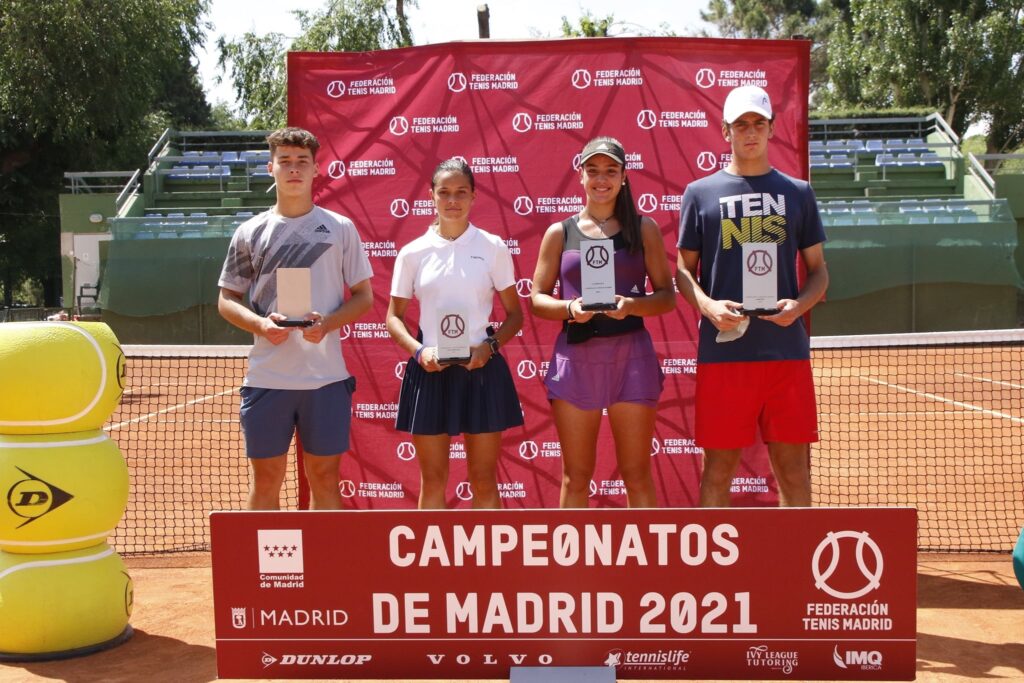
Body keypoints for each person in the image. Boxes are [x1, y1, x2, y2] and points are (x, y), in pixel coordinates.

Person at [675, 85, 829, 508]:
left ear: (772, 129)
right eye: (740, 124)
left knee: (794, 472)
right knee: (718, 471)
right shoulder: (700, 193)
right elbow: (683, 271)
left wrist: (799, 306)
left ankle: (796, 551)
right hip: (725, 353)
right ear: (725, 130)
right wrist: (708, 306)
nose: (750, 132)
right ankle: (713, 555)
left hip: (785, 352)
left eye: (758, 123)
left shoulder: (798, 193)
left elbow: (819, 272)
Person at [217, 127, 373, 510]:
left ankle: (325, 554)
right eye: (284, 161)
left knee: (325, 479)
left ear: (316, 169)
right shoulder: (249, 231)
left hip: (326, 379)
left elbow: (364, 297)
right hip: (267, 379)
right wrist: (261, 325)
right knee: (267, 480)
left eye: (302, 161)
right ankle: (264, 555)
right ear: (270, 167)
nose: (293, 169)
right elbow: (226, 299)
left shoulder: (340, 228)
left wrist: (328, 324)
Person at [531, 136, 676, 508]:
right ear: (580, 175)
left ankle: (645, 550)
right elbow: (537, 299)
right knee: (576, 477)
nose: (601, 179)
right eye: (593, 170)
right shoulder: (559, 232)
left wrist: (631, 305)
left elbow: (666, 297)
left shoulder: (644, 228)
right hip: (577, 358)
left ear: (624, 176)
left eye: (611, 171)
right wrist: (570, 308)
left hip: (632, 357)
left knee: (637, 474)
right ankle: (571, 551)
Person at [386, 158, 524, 509]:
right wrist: (420, 352)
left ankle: (486, 548)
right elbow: (394, 318)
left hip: (481, 369)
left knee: (484, 479)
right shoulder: (413, 253)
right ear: (431, 196)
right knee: (433, 480)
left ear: (474, 196)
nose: (452, 200)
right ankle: (432, 550)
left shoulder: (492, 247)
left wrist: (489, 348)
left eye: (461, 192)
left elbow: (515, 315)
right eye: (444, 192)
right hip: (430, 370)